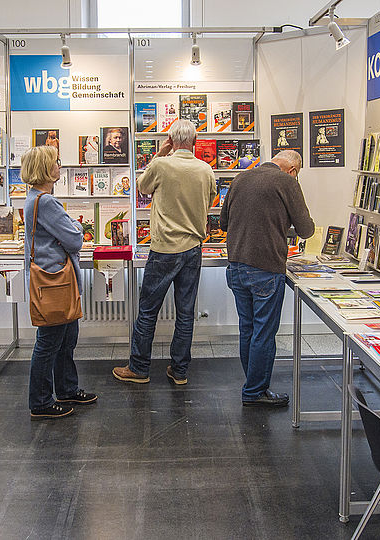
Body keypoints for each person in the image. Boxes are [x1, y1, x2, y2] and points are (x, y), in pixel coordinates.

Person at [113, 119, 215, 385]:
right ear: (195, 141)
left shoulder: (161, 165)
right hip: (193, 249)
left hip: (164, 249)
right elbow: (210, 199)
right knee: (185, 313)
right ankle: (179, 371)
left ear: (171, 140)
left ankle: (139, 368)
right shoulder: (206, 169)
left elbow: (142, 187)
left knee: (148, 311)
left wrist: (159, 153)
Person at [220, 150, 314, 407]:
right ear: (292, 170)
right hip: (266, 267)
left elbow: (223, 224)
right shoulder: (286, 182)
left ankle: (252, 384)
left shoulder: (240, 178)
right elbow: (306, 229)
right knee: (263, 332)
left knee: (247, 329)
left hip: (236, 265)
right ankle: (255, 391)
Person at [22, 145, 97, 419]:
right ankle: (41, 401)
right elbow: (76, 238)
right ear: (45, 168)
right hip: (55, 280)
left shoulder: (35, 199)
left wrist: (70, 228)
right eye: (56, 161)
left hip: (55, 279)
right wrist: (75, 227)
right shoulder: (46, 202)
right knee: (50, 342)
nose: (60, 166)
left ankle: (67, 389)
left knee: (65, 339)